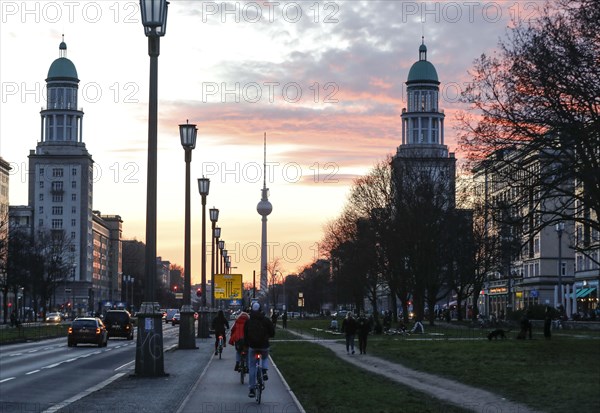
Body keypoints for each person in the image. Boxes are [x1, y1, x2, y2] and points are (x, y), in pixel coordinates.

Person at [244, 302, 275, 398]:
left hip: (253, 346)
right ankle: (264, 370)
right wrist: (268, 336)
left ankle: (252, 389)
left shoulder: (249, 321)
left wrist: (247, 344)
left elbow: (245, 334)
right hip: (264, 345)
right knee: (265, 357)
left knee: (252, 366)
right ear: (261, 309)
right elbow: (272, 332)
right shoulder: (266, 320)